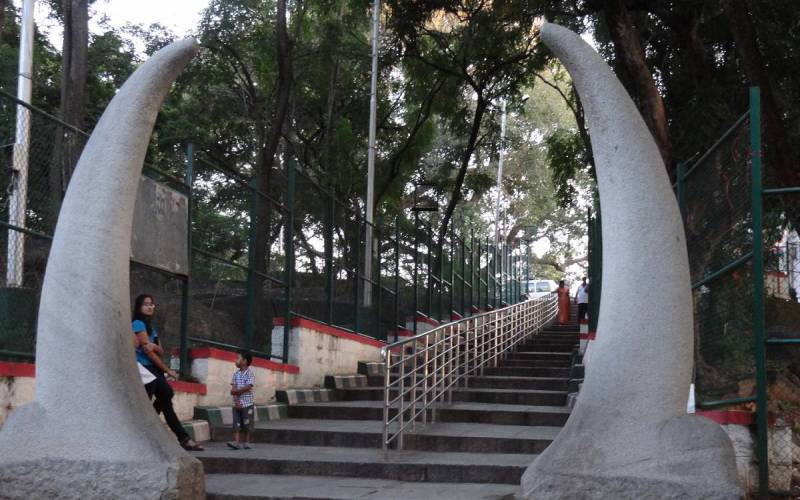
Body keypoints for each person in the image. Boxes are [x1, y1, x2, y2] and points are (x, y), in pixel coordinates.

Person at [132, 294, 204, 451]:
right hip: (145, 369)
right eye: (146, 304)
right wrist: (168, 371)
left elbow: (160, 350)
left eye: (151, 304)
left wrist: (153, 346)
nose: (150, 307)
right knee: (165, 395)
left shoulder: (150, 327)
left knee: (166, 397)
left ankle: (176, 436)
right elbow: (148, 352)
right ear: (139, 307)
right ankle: (182, 438)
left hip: (154, 368)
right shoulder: (137, 324)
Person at [228, 350, 255, 450]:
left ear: (244, 361)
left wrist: (237, 392)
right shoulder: (236, 374)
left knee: (247, 423)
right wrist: (236, 401)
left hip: (247, 404)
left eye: (238, 358)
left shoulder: (250, 374)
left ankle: (247, 442)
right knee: (236, 423)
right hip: (237, 404)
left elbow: (248, 386)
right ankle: (236, 442)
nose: (236, 360)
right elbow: (233, 388)